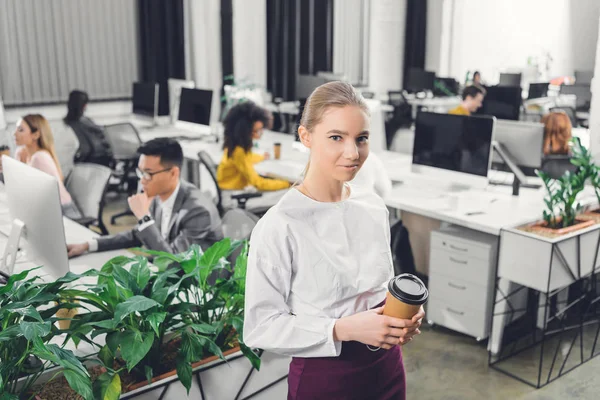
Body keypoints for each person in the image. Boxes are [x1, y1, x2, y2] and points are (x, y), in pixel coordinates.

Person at [243, 81, 424, 399]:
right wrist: (342, 329)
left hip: (387, 366)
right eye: (336, 137)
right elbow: (261, 327)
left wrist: (401, 317)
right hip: (327, 375)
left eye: (361, 139)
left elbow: (379, 287)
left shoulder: (372, 206)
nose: (353, 153)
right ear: (306, 137)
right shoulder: (280, 225)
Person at [67, 138, 223, 257]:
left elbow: (173, 264)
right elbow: (136, 234)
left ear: (174, 173)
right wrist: (88, 245)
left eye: (148, 173)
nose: (142, 180)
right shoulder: (158, 194)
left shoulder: (198, 211)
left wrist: (143, 217)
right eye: (140, 172)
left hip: (198, 289)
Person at [217, 101, 291, 210]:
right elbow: (258, 183)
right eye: (256, 131)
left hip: (232, 193)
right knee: (286, 195)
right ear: (245, 131)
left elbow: (248, 158)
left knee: (281, 193)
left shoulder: (234, 146)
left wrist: (261, 157)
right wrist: (287, 184)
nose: (259, 134)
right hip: (232, 199)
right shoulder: (239, 152)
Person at [13, 114, 82, 219]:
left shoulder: (39, 158)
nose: (14, 133)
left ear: (35, 135)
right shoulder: (27, 155)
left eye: (20, 130)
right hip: (51, 208)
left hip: (63, 211)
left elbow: (27, 190)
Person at [64, 90, 113, 167]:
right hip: (97, 156)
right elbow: (101, 131)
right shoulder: (83, 121)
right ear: (83, 105)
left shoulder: (71, 121)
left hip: (86, 156)